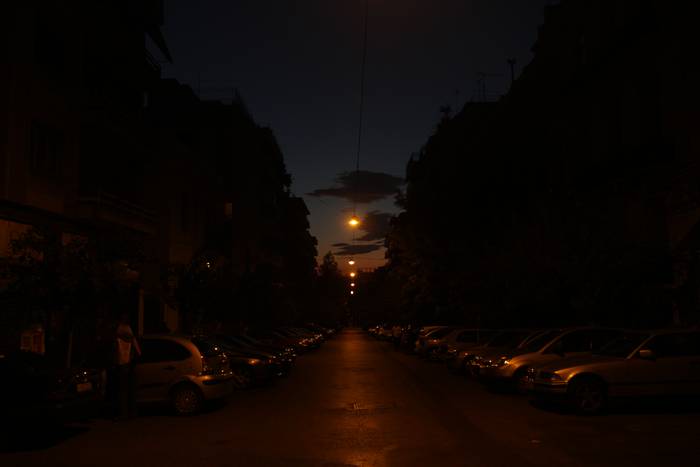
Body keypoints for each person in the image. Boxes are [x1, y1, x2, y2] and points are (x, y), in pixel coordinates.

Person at [114, 313, 141, 420]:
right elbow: (138, 352)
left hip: (122, 365)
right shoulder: (131, 336)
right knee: (131, 390)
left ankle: (124, 413)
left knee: (123, 391)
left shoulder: (118, 335)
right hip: (130, 364)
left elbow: (116, 352)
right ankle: (132, 412)